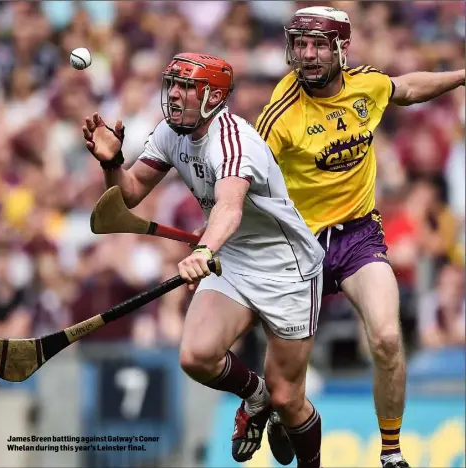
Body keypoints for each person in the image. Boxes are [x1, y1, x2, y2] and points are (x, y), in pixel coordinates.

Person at [82, 53, 326, 467]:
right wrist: (111, 162)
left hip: (286, 268)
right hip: (230, 258)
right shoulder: (170, 133)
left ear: (213, 96)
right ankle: (255, 396)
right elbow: (130, 193)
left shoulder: (234, 141)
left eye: (186, 87)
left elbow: (229, 208)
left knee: (290, 398)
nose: (174, 95)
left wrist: (202, 251)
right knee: (196, 356)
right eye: (172, 84)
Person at [256, 6, 466, 468]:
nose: (307, 55)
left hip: (358, 237)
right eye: (300, 44)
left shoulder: (365, 85)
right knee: (287, 386)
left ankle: (391, 454)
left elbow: (407, 88)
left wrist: (462, 75)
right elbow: (243, 183)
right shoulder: (279, 114)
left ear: (340, 50)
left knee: (389, 339)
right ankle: (276, 409)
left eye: (317, 45)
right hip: (297, 247)